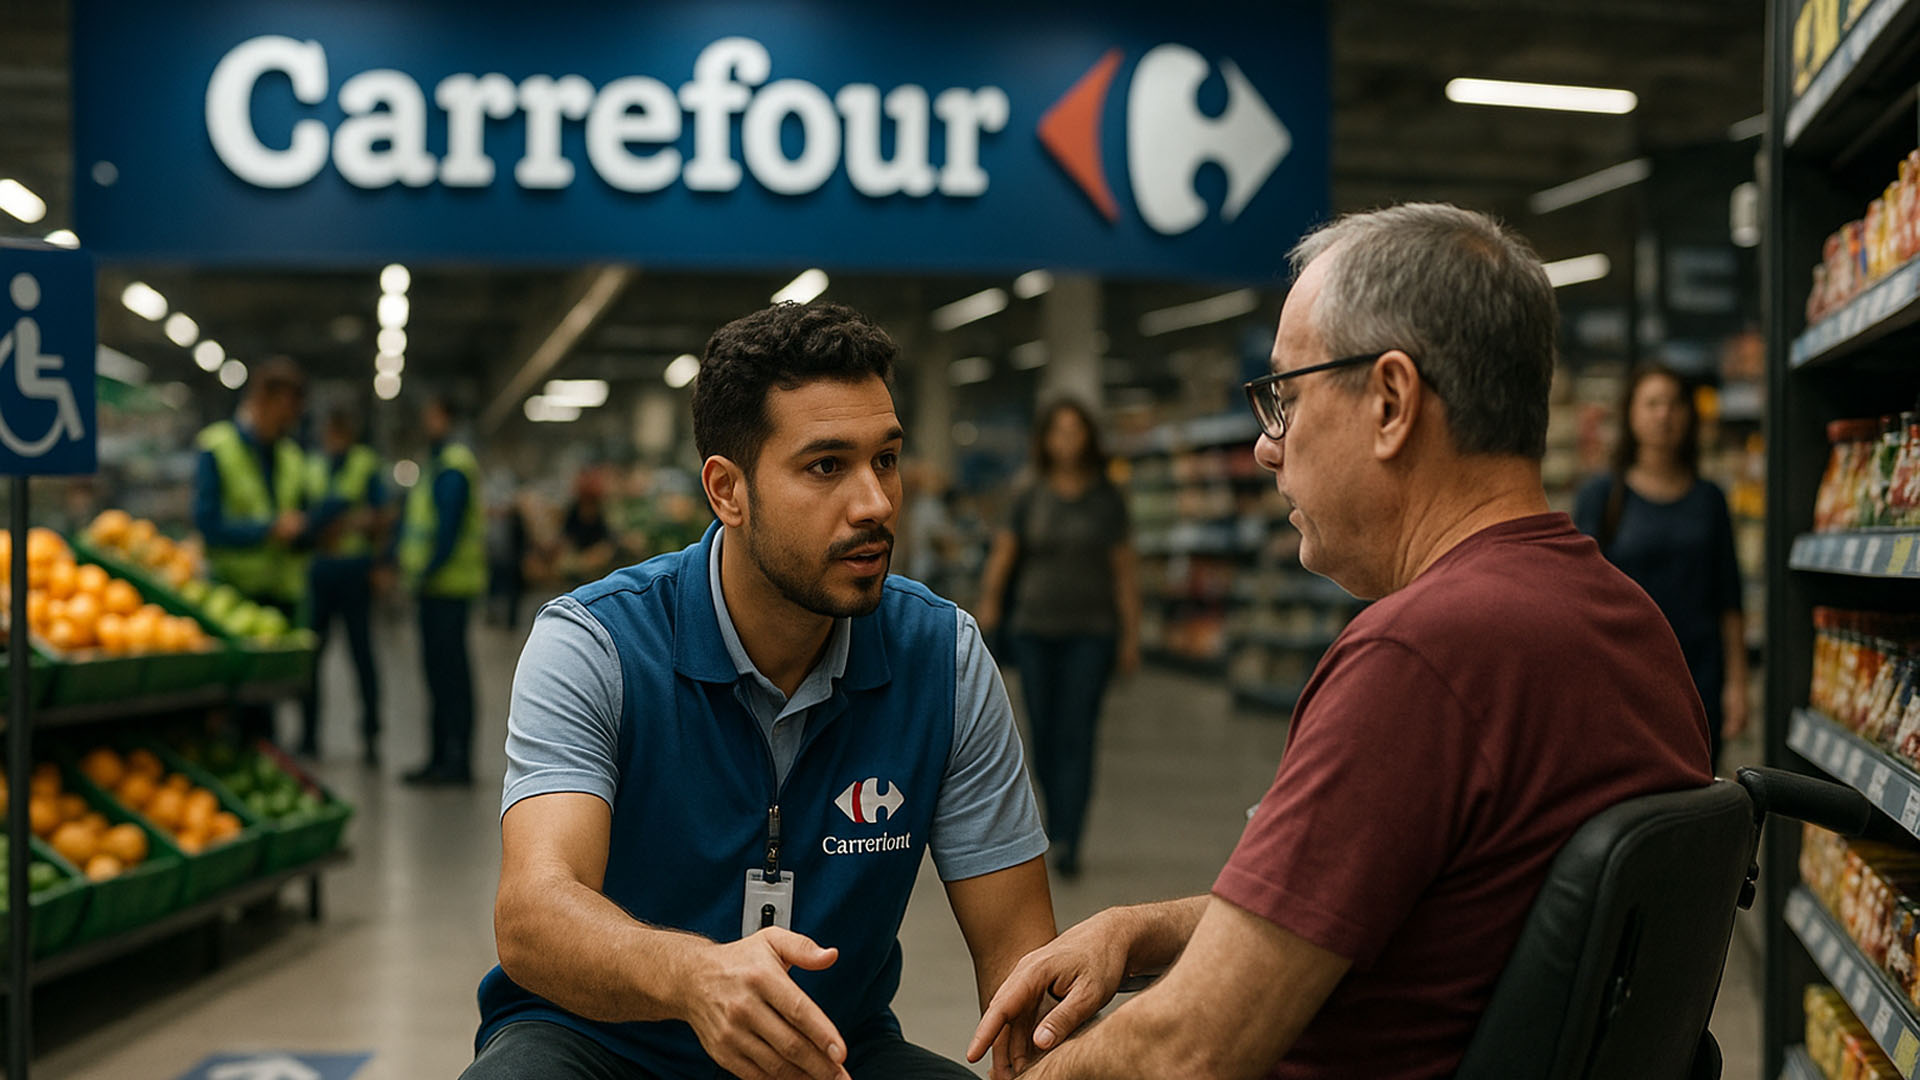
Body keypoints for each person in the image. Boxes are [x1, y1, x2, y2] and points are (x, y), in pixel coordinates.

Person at [966, 204, 1712, 1080]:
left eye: (1284, 396)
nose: (1264, 447)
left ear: (1391, 401)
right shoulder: (1626, 624)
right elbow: (1399, 906)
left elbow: (1188, 1051)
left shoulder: (1419, 658)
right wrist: (1151, 929)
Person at [465, 301, 1056, 1080]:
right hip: (601, 1041)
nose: (876, 502)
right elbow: (535, 914)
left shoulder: (940, 658)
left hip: (831, 1049)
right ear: (727, 491)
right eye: (826, 467)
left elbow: (1020, 954)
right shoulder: (596, 646)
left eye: (885, 459)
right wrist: (694, 977)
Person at [976, 400, 1140, 879]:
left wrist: (1131, 635)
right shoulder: (1029, 495)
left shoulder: (1107, 499)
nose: (1066, 441)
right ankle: (1052, 817)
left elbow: (1124, 574)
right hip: (1034, 630)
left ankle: (1070, 836)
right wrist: (990, 606)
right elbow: (1004, 557)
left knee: (1078, 734)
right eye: (1058, 432)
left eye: (1075, 432)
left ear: (1089, 437)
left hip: (1091, 633)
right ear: (1045, 440)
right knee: (1043, 733)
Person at [1574, 363, 1749, 772]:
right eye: (1652, 403)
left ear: (1689, 415)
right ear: (1631, 413)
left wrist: (1737, 685)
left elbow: (1729, 595)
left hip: (1698, 676)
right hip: (1622, 676)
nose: (1663, 415)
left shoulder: (1710, 500)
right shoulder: (1603, 496)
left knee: (1695, 791)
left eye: (1674, 404)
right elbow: (1579, 593)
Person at [194, 357, 319, 742]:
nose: (288, 422)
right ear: (261, 400)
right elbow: (209, 525)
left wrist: (310, 532)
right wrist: (268, 529)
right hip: (231, 599)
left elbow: (303, 518)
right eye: (284, 410)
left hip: (281, 600)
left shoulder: (291, 457)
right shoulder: (217, 448)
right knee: (237, 711)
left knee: (269, 711)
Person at [399, 395, 486, 786]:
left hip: (448, 588)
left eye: (432, 414)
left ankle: (457, 760)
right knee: (437, 675)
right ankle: (438, 757)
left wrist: (424, 572)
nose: (425, 421)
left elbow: (447, 531)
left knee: (451, 676)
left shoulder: (453, 467)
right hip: (434, 588)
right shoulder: (435, 466)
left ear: (446, 417)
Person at [299, 409, 388, 765]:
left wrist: (348, 525)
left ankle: (370, 735)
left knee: (362, 656)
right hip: (320, 573)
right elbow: (304, 517)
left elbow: (381, 517)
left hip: (354, 574)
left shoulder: (365, 465)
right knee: (310, 658)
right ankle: (308, 735)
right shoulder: (313, 466)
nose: (332, 439)